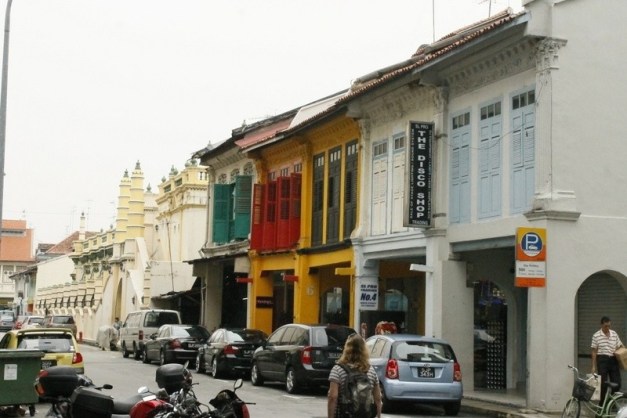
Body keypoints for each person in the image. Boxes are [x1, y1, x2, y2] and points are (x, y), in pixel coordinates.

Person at [328, 333, 382, 418]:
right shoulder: (371, 370)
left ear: (346, 349)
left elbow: (332, 397)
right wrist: (379, 416)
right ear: (364, 350)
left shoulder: (337, 369)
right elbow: (378, 399)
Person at [591, 316, 623, 402]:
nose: (608, 328)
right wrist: (593, 366)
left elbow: (620, 345)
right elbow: (594, 351)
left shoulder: (614, 334)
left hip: (613, 360)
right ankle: (602, 405)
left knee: (617, 383)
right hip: (602, 360)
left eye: (609, 326)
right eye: (606, 326)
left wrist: (623, 352)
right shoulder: (596, 335)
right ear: (601, 325)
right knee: (603, 384)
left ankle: (610, 403)